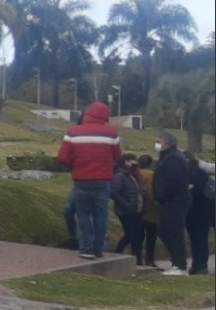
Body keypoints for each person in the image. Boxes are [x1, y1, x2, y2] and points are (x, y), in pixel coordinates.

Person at [56, 102, 121, 260]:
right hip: (102, 180)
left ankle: (86, 247)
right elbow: (117, 155)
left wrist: (75, 166)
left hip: (81, 179)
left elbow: (62, 157)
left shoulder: (73, 132)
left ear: (87, 114)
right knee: (101, 215)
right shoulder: (112, 133)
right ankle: (99, 248)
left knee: (83, 214)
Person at [153, 132, 192, 276]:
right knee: (164, 230)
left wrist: (163, 195)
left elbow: (173, 182)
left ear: (167, 143)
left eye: (158, 141)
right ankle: (176, 261)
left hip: (175, 200)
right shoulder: (168, 157)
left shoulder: (173, 158)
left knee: (175, 232)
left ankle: (180, 265)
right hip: (170, 200)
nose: (156, 144)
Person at [110, 154, 143, 262]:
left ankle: (136, 257)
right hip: (126, 210)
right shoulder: (120, 176)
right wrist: (126, 203)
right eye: (131, 161)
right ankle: (117, 252)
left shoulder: (134, 175)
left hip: (136, 209)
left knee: (137, 234)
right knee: (131, 233)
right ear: (125, 162)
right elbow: (114, 192)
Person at [183, 151, 212, 275]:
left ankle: (199, 265)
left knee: (196, 239)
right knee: (200, 239)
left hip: (195, 210)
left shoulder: (190, 173)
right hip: (205, 210)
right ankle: (199, 265)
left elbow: (195, 191)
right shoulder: (202, 173)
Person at [136, 154, 161, 267]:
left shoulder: (136, 172)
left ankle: (137, 257)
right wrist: (156, 203)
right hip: (150, 209)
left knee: (139, 234)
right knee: (151, 235)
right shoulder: (151, 174)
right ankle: (149, 258)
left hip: (138, 207)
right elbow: (151, 191)